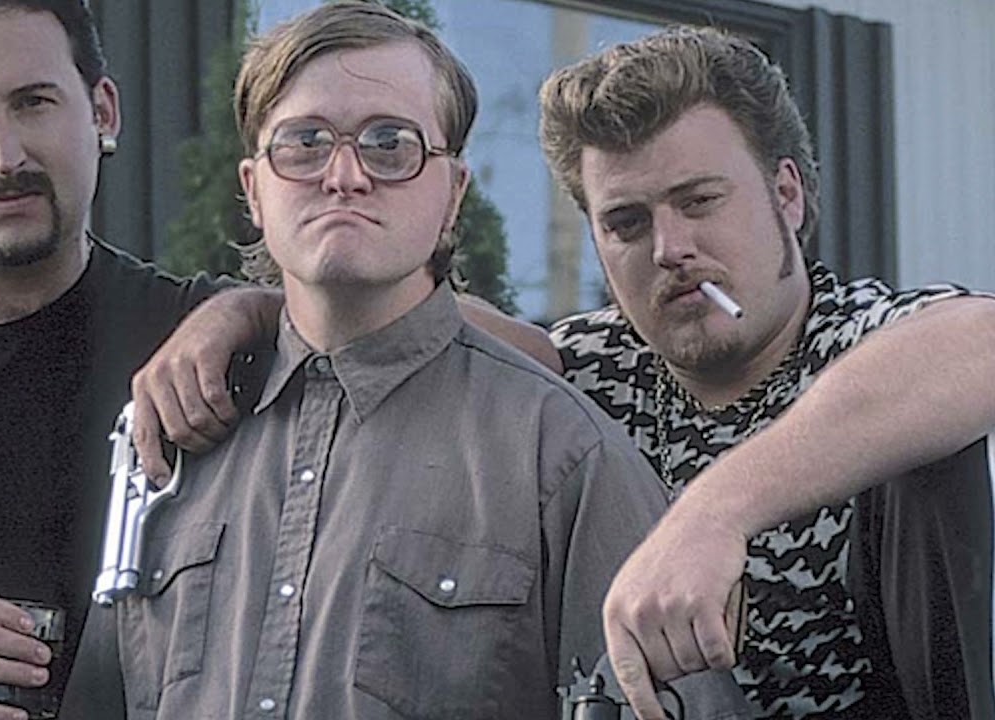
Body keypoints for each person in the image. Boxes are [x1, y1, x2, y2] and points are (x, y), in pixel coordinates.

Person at [0, 2, 560, 718]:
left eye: (35, 103)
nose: (3, 154)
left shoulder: (197, 336)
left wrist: (258, 306)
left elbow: (521, 355)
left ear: (104, 112)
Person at [62, 3, 669, 718]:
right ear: (254, 190)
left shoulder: (562, 457)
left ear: (453, 194)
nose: (344, 175)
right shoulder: (171, 437)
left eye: (390, 143)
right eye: (305, 142)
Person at [537, 25, 995, 719]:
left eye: (699, 200)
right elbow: (434, 343)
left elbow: (981, 340)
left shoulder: (857, 338)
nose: (669, 248)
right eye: (627, 223)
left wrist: (713, 512)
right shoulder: (586, 369)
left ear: (786, 195)